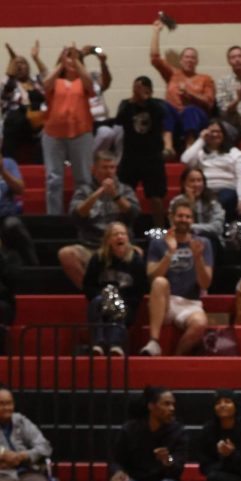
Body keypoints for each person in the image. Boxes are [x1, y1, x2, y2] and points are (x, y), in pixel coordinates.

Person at [141, 198, 213, 356]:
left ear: (192, 220)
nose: (184, 220)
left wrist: (198, 258)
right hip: (165, 302)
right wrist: (169, 253)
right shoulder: (158, 243)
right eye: (180, 216)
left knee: (201, 324)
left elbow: (205, 284)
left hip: (190, 303)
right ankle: (154, 342)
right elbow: (152, 277)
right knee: (160, 282)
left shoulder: (203, 243)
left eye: (188, 217)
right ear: (171, 217)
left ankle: (177, 357)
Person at [59, 151, 140, 290]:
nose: (109, 172)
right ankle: (92, 292)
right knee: (66, 254)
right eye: (104, 167)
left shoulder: (125, 189)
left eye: (112, 167)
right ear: (94, 169)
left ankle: (125, 295)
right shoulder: (83, 190)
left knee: (139, 253)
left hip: (119, 247)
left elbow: (134, 213)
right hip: (91, 247)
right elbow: (76, 215)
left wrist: (115, 195)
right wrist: (98, 193)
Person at [41, 46, 95, 215]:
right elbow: (45, 84)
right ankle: (54, 218)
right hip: (53, 135)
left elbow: (89, 82)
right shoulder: (55, 81)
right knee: (53, 179)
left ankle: (82, 214)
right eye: (68, 58)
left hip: (81, 133)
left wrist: (76, 60)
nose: (71, 62)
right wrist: (60, 64)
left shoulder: (83, 82)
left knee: (83, 179)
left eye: (75, 59)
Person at [82, 221, 148, 355]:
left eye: (123, 234)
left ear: (128, 239)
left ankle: (115, 344)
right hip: (100, 303)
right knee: (98, 301)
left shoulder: (136, 261)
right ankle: (98, 343)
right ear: (108, 240)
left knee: (118, 304)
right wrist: (106, 298)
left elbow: (141, 289)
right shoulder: (98, 259)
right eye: (115, 234)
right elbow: (88, 286)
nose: (120, 237)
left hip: (126, 306)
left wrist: (117, 299)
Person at [149, 19, 215, 149]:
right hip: (174, 116)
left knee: (190, 110)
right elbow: (155, 58)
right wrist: (156, 31)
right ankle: (168, 147)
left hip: (196, 116)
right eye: (186, 57)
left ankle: (189, 146)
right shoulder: (173, 74)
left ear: (197, 61)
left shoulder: (205, 78)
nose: (189, 60)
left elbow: (209, 102)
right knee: (163, 105)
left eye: (193, 57)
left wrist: (189, 94)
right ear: (181, 60)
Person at [115, 76, 169, 226]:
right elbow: (119, 120)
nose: (137, 91)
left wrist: (147, 101)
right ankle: (122, 229)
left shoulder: (156, 105)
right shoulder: (126, 105)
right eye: (135, 87)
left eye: (141, 88)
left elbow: (162, 115)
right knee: (123, 194)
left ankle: (159, 232)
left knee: (156, 197)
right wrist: (134, 101)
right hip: (130, 157)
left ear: (150, 90)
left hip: (152, 157)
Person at [181, 120, 241, 218]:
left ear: (224, 134)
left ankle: (214, 227)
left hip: (227, 190)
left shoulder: (234, 153)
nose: (215, 134)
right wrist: (201, 139)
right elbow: (185, 160)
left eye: (218, 131)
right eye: (212, 132)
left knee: (224, 199)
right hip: (204, 190)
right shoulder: (200, 153)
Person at [1, 44, 46, 159]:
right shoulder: (10, 83)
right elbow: (5, 93)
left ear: (28, 67)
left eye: (22, 63)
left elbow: (45, 75)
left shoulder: (35, 81)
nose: (19, 66)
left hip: (39, 120)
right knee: (15, 118)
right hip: (16, 122)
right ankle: (8, 162)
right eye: (17, 64)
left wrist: (36, 58)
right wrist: (12, 63)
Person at [215, 45, 241, 146]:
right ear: (229, 61)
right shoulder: (223, 81)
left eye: (240, 56)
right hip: (232, 125)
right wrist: (238, 99)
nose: (237, 60)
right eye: (233, 57)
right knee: (218, 129)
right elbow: (223, 109)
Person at [81, 45, 117, 157]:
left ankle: (116, 165)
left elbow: (107, 82)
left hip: (103, 120)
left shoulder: (94, 76)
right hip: (87, 123)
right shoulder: (73, 79)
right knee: (106, 133)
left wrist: (103, 62)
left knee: (118, 130)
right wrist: (80, 55)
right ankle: (87, 160)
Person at [179, 166, 226, 242]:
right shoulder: (176, 202)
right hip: (184, 241)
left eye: (199, 181)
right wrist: (191, 203)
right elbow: (176, 227)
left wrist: (191, 227)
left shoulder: (213, 202)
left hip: (211, 241)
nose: (196, 184)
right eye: (192, 181)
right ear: (184, 183)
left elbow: (217, 228)